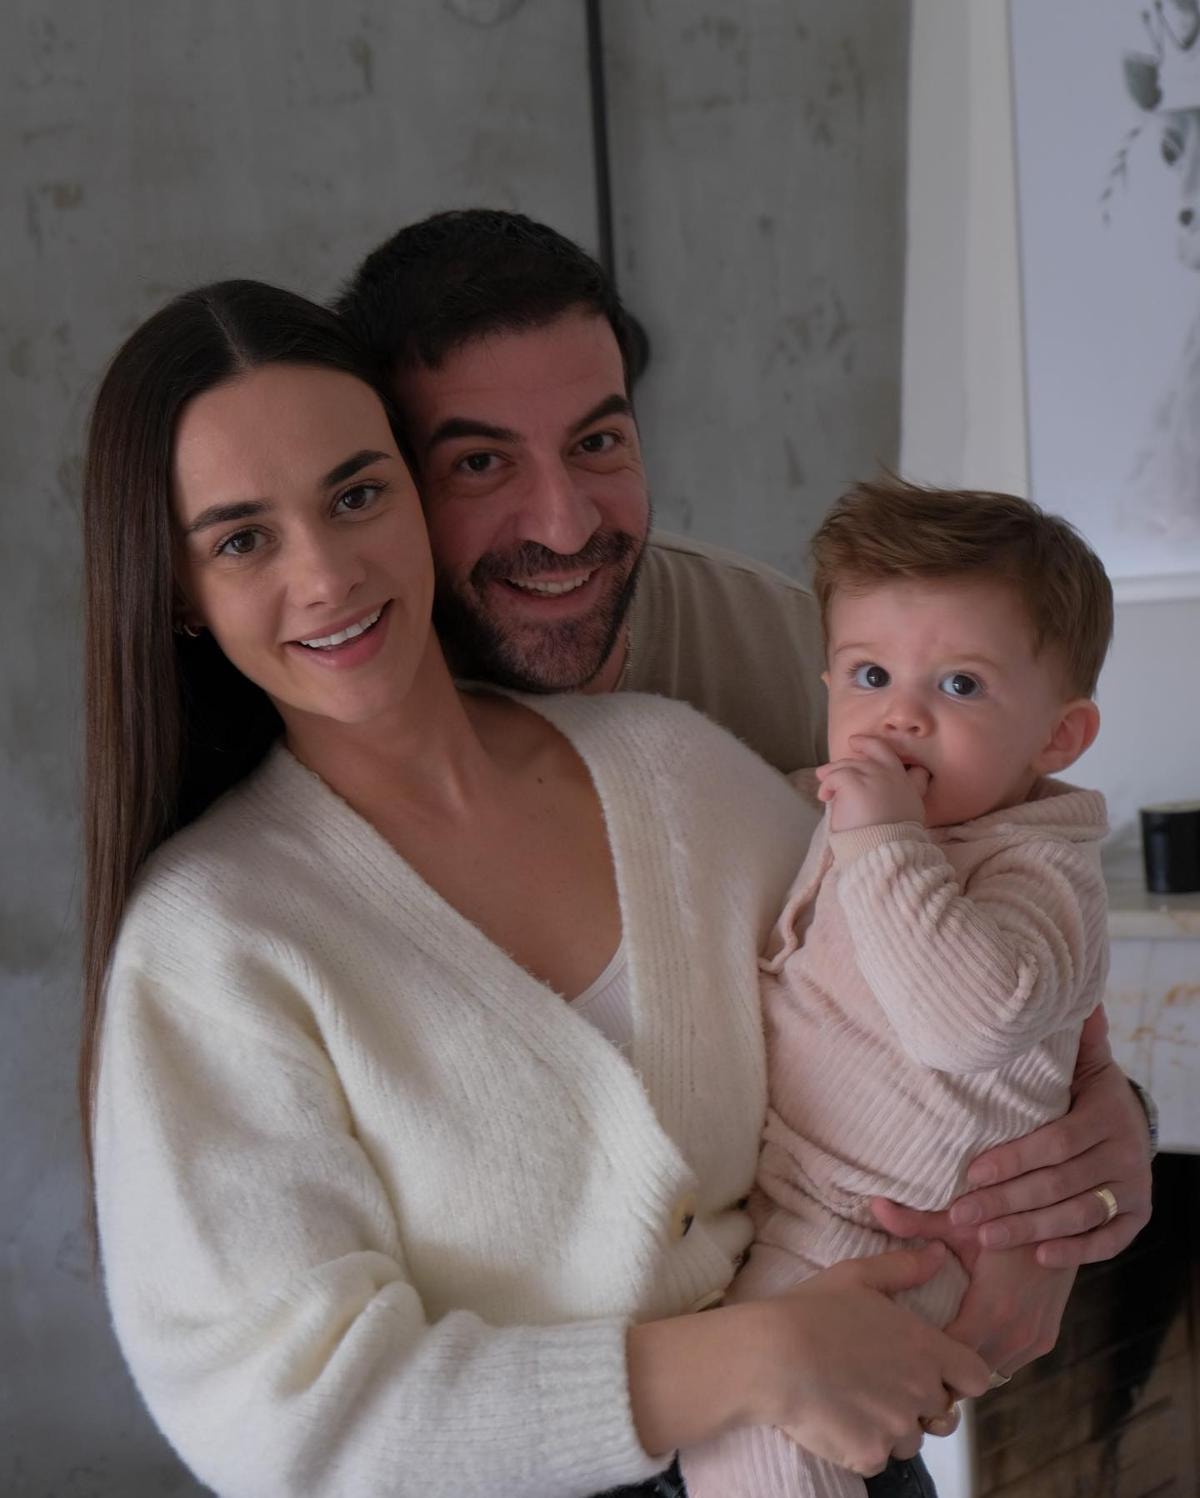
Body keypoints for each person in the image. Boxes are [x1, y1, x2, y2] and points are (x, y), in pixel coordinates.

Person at [82, 281, 992, 1498]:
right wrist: (749, 1358)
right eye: (243, 539)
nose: (328, 575)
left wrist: (1096, 1120)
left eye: (356, 496)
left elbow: (927, 995)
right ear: (177, 593)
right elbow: (288, 1418)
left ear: (417, 498)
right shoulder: (210, 944)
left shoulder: (672, 769)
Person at [335, 210, 1153, 1278]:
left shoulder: (788, 644)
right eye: (481, 462)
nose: (567, 525)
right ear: (388, 483)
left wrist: (1107, 1131)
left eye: (598, 442)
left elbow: (1004, 973)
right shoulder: (327, 743)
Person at [680, 479, 1113, 1498]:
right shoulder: (836, 814)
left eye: (960, 685)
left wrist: (882, 836)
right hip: (794, 1204)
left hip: (896, 1232)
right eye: (869, 675)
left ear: (1057, 738)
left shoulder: (1041, 870)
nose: (900, 716)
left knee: (758, 1442)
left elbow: (968, 1020)